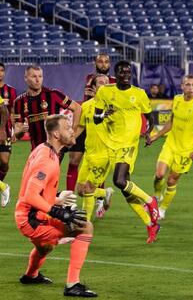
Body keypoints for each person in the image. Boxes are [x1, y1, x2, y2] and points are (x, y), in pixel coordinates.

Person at [15, 114, 97, 297]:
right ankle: (72, 285)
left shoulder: (44, 150)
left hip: (28, 215)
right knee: (85, 227)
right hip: (32, 220)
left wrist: (57, 196)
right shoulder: (47, 160)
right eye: (68, 128)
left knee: (46, 247)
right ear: (56, 134)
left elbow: (34, 187)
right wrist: (59, 213)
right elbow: (30, 195)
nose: (72, 130)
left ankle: (30, 275)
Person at [93, 61, 160, 243]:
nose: (125, 75)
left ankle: (150, 201)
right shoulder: (105, 92)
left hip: (129, 144)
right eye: (122, 72)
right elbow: (96, 118)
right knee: (126, 190)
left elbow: (150, 117)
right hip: (110, 144)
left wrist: (148, 132)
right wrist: (104, 115)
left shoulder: (138, 94)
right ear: (116, 74)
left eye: (128, 72)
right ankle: (150, 224)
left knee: (119, 180)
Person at [147, 75, 193, 220]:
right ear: (182, 86)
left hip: (186, 151)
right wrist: (155, 136)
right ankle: (157, 196)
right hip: (170, 144)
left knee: (171, 181)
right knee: (159, 175)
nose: (190, 88)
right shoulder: (176, 99)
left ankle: (162, 209)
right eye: (187, 84)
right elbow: (171, 122)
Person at [13, 65, 82, 154]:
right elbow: (17, 133)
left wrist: (73, 132)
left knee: (45, 168)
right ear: (26, 78)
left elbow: (77, 108)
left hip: (55, 149)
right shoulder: (19, 102)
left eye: (40, 76)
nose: (38, 80)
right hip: (36, 150)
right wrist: (22, 130)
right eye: (34, 76)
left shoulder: (53, 94)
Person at [74, 75, 115, 222]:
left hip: (104, 155)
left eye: (107, 83)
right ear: (93, 87)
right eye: (100, 83)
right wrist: (70, 139)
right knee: (80, 190)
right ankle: (104, 193)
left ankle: (85, 223)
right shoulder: (86, 106)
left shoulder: (114, 107)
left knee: (87, 189)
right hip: (89, 154)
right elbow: (81, 126)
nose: (104, 85)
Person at [0, 62, 17, 206]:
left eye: (1, 71)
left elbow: (11, 112)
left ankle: (2, 185)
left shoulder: (10, 91)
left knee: (4, 163)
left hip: (5, 130)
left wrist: (13, 131)